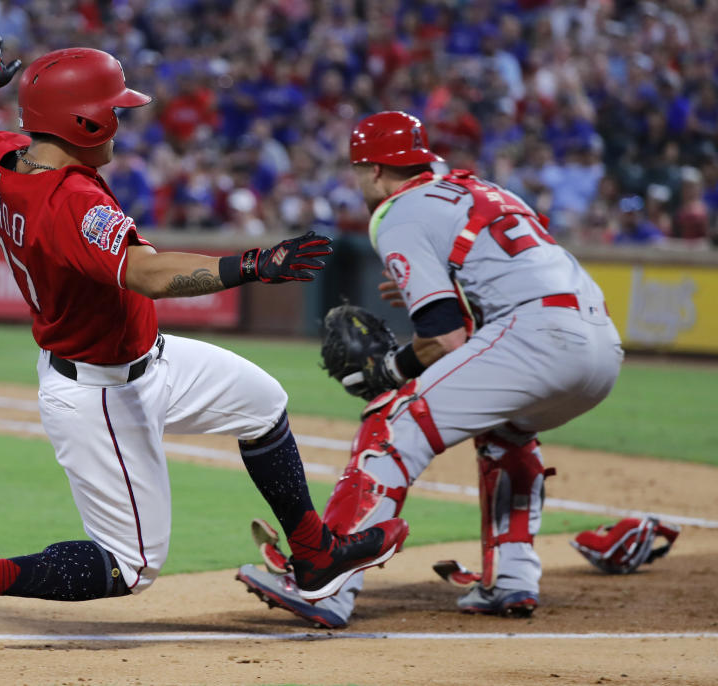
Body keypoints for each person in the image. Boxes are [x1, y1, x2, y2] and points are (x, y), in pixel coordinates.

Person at [0, 35, 408, 641]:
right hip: (99, 393)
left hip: (146, 361)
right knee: (130, 567)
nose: (120, 123)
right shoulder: (68, 200)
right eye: (113, 112)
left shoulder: (2, 156)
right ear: (83, 121)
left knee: (261, 403)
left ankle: (314, 556)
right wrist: (254, 264)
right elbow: (148, 274)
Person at [237, 111, 623, 628]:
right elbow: (490, 292)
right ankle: (511, 579)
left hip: (536, 335)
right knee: (505, 435)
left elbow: (445, 338)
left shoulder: (399, 211)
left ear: (374, 170)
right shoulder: (479, 191)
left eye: (358, 170)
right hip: (600, 342)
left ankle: (324, 582)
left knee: (391, 420)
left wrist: (391, 371)